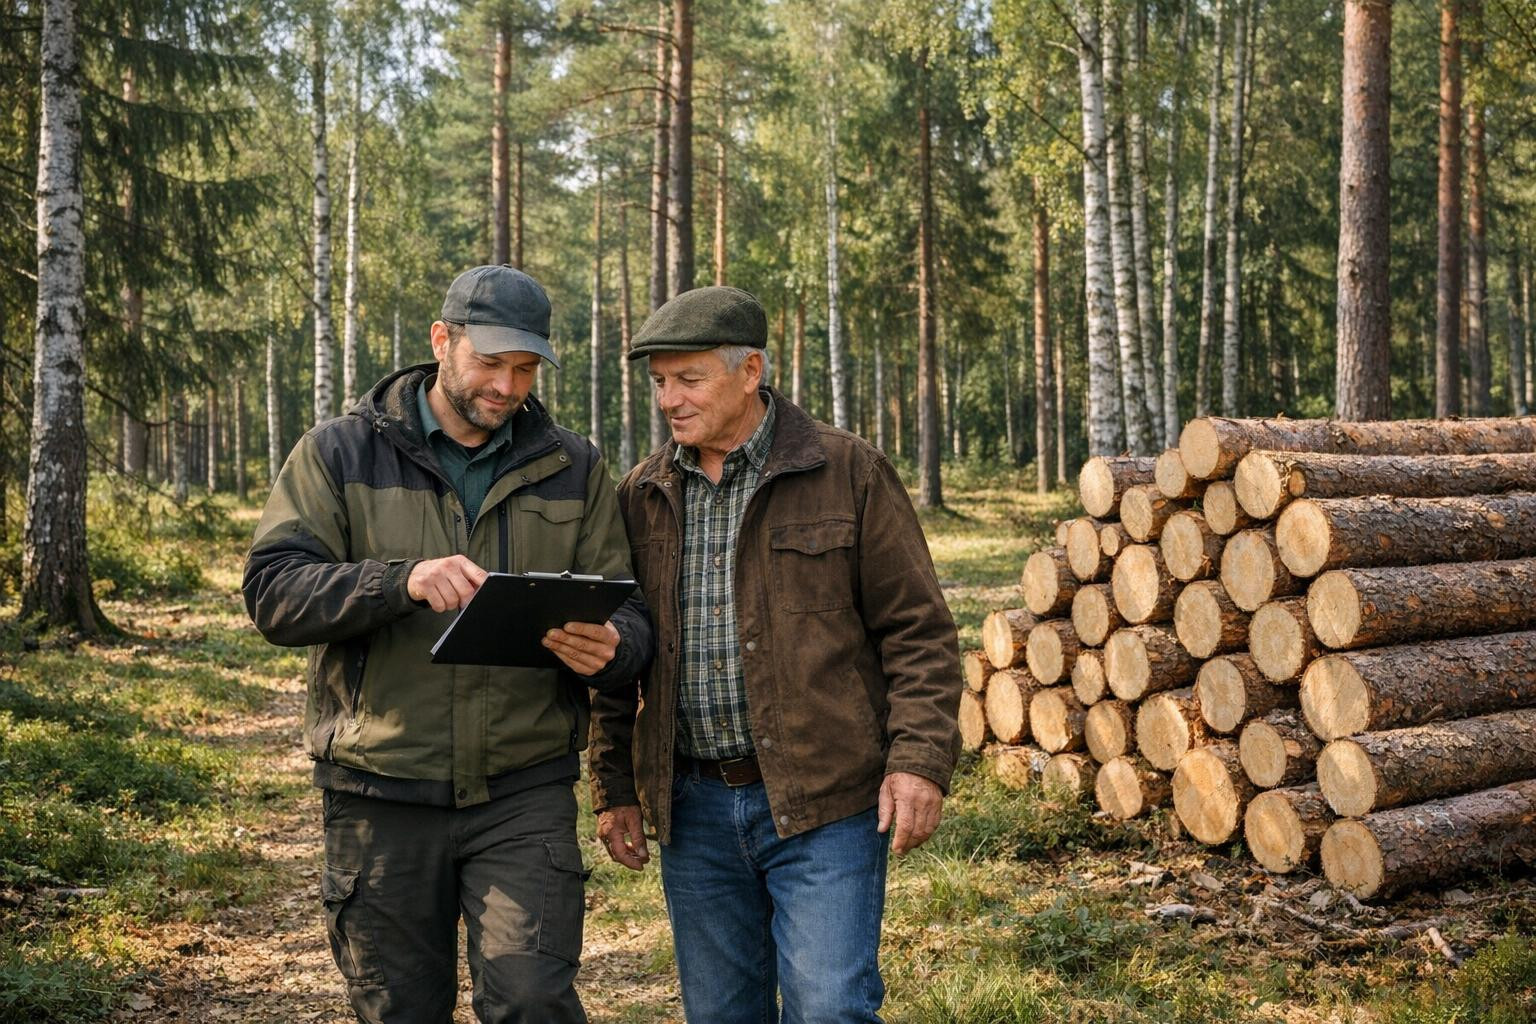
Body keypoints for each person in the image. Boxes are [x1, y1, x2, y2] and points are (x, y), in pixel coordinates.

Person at [243, 264, 651, 1024]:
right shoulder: (339, 453)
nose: (508, 385)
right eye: (491, 363)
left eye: (525, 368)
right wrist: (397, 583)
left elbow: (627, 611)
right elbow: (272, 592)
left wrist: (614, 646)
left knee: (533, 1000)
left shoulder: (576, 465)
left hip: (522, 789)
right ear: (442, 341)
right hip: (380, 790)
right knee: (399, 1009)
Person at [588, 285, 961, 1022]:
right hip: (692, 808)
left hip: (826, 800)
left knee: (829, 1008)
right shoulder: (642, 494)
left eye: (688, 379)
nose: (669, 400)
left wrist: (918, 761)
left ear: (750, 370)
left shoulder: (847, 472)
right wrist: (614, 785)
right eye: (660, 381)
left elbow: (918, 631)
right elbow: (615, 653)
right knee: (723, 1013)